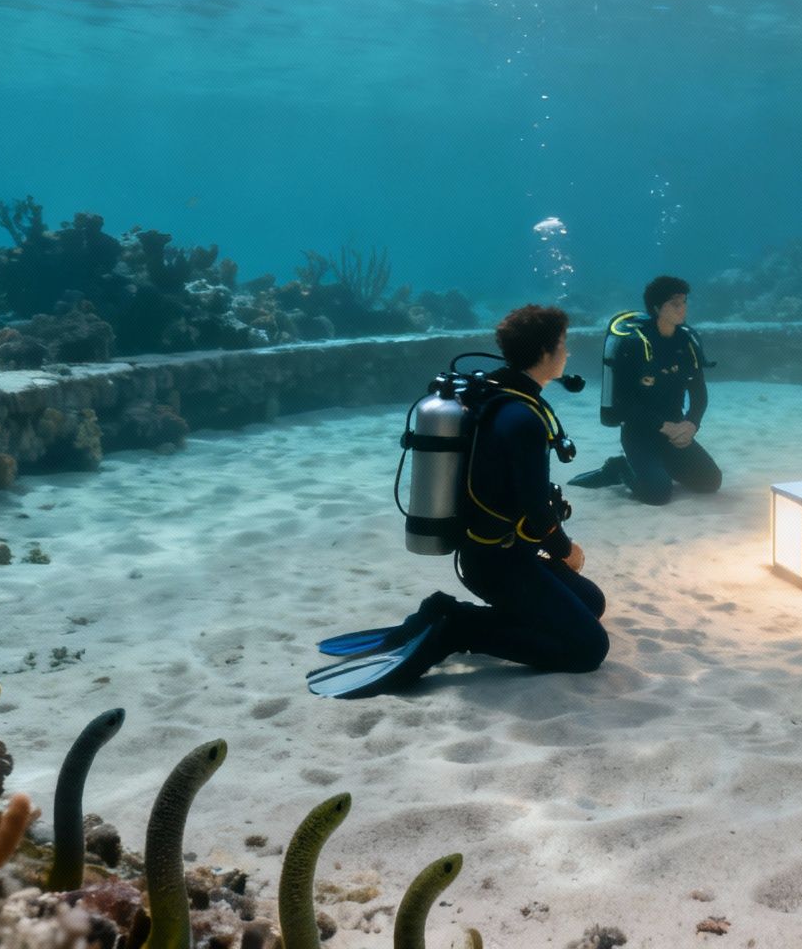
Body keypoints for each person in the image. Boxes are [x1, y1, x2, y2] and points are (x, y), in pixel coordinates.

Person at [308, 304, 607, 698]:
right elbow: (537, 511)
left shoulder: (496, 395)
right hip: (499, 565)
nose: (568, 353)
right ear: (547, 353)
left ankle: (443, 614)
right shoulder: (523, 420)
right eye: (564, 345)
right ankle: (456, 625)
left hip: (493, 554)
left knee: (591, 602)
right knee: (589, 648)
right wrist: (565, 550)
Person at [569, 275, 721, 506]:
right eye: (675, 304)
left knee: (710, 482)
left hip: (676, 430)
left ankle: (659, 465)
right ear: (657, 307)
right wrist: (664, 426)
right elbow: (624, 405)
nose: (683, 309)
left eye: (685, 302)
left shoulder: (688, 342)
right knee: (658, 495)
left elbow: (699, 392)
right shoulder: (633, 346)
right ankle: (620, 468)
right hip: (639, 434)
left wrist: (692, 424)